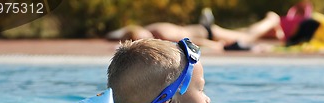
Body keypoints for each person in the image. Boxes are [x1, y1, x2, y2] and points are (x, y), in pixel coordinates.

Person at [106, 10, 283, 51]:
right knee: (240, 31)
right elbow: (114, 34)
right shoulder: (151, 29)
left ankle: (271, 19)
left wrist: (215, 46)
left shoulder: (161, 35)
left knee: (246, 36)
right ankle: (272, 31)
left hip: (206, 33)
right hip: (202, 29)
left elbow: (188, 41)